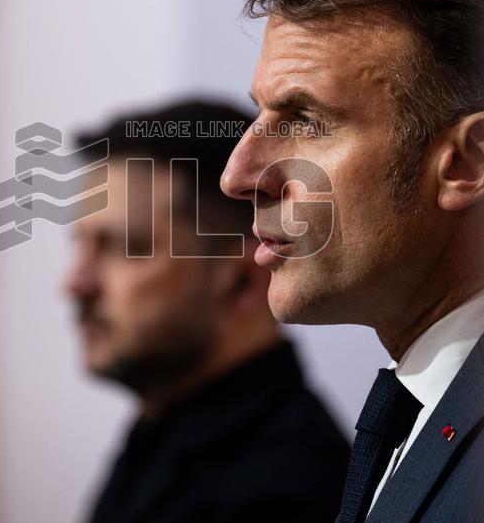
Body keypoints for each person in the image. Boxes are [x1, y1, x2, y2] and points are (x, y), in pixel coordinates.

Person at [220, 0, 484, 522]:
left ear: (468, 163)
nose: (238, 176)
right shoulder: (440, 403)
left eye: (306, 122)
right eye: (260, 114)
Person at [65, 100, 350, 523]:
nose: (75, 283)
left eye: (125, 247)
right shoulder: (160, 437)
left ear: (243, 283)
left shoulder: (283, 493)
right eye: (80, 245)